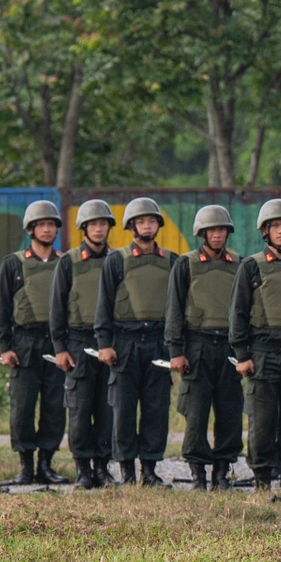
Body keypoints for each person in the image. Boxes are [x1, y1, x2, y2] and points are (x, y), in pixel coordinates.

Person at [231, 200, 281, 492]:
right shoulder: (251, 266)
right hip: (263, 351)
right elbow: (239, 313)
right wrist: (242, 354)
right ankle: (262, 478)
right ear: (265, 231)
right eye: (276, 226)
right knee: (262, 421)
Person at [94, 197, 176, 486]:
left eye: (151, 221)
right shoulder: (116, 260)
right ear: (131, 226)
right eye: (141, 221)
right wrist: (104, 343)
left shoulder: (172, 261)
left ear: (158, 225)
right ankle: (127, 471)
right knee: (123, 410)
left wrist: (175, 347)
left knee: (156, 409)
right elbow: (103, 304)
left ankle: (150, 471)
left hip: (158, 342)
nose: (147, 225)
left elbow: (178, 308)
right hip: (124, 343)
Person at [165, 205, 243, 491]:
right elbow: (174, 309)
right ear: (202, 233)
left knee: (230, 412)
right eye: (212, 230)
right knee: (196, 413)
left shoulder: (239, 263)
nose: (218, 235)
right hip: (196, 344)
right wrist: (176, 350)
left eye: (222, 230)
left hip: (229, 346)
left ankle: (222, 471)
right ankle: (197, 472)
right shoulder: (185, 264)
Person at [0, 200, 65, 484]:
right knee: (22, 406)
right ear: (31, 229)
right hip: (23, 341)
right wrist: (5, 346)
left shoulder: (63, 262)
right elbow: (0, 308)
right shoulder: (13, 263)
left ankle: (46, 464)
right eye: (41, 225)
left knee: (54, 404)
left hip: (54, 342)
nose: (47, 230)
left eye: (51, 225)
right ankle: (25, 465)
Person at [50, 199, 119, 488]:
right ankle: (82, 469)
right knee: (79, 408)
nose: (99, 229)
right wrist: (60, 348)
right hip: (78, 341)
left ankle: (103, 467)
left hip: (110, 342)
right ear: (84, 229)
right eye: (94, 224)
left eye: (103, 224)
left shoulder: (118, 259)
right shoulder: (69, 261)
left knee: (107, 408)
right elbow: (57, 307)